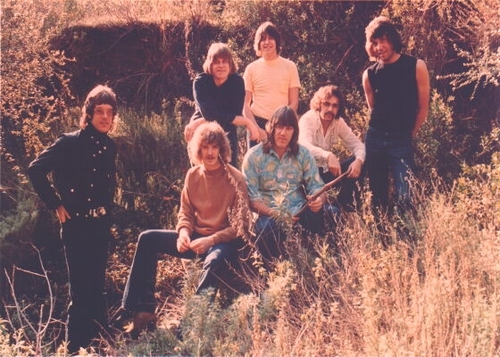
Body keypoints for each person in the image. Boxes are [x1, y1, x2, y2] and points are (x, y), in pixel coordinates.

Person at [121, 121, 250, 336]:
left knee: (214, 260)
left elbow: (241, 225)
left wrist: (211, 240)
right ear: (198, 149)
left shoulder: (235, 178)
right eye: (205, 147)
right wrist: (183, 233)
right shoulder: (193, 175)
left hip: (223, 242)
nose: (210, 152)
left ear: (222, 149)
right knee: (147, 238)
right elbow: (186, 213)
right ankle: (142, 311)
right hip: (196, 238)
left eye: (214, 147)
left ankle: (191, 324)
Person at [27, 85, 119, 353]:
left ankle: (102, 346)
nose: (104, 117)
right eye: (99, 111)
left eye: (109, 112)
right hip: (76, 227)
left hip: (99, 226)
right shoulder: (69, 142)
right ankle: (74, 350)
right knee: (80, 293)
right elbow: (35, 169)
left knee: (97, 287)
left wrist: (107, 216)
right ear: (88, 114)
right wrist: (55, 204)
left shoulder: (110, 146)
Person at [242, 106, 337, 262]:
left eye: (288, 128)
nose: (283, 132)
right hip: (269, 214)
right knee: (266, 230)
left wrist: (319, 200)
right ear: (270, 128)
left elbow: (317, 186)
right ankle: (273, 271)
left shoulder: (303, 154)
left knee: (333, 215)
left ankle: (328, 262)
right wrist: (278, 214)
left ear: (294, 132)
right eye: (279, 127)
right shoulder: (254, 157)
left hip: (300, 211)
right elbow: (253, 201)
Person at [362, 16, 430, 213]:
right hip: (375, 139)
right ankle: (382, 239)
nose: (379, 47)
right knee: (378, 196)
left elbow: (423, 107)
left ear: (392, 39)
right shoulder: (369, 74)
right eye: (374, 43)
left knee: (405, 195)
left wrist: (409, 134)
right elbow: (373, 109)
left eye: (382, 40)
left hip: (402, 139)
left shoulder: (416, 66)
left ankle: (405, 238)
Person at [184, 42, 261, 167]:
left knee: (229, 172)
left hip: (226, 129)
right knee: (202, 174)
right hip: (202, 131)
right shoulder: (200, 82)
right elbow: (210, 114)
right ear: (210, 64)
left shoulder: (237, 82)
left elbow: (234, 113)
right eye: (216, 62)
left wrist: (197, 122)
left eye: (225, 62)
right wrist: (246, 122)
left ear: (230, 64)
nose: (221, 66)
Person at [298, 84, 365, 212]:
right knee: (313, 205)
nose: (330, 109)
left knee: (359, 161)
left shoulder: (338, 122)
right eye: (326, 104)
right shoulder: (308, 119)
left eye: (335, 106)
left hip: (324, 174)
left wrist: (358, 161)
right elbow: (303, 145)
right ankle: (326, 208)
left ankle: (345, 206)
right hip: (306, 175)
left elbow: (358, 145)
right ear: (319, 104)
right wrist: (328, 155)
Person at [243, 21, 301, 146]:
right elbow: (245, 104)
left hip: (282, 125)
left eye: (271, 38)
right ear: (258, 44)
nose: (267, 42)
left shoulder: (290, 66)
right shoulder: (251, 68)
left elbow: (294, 102)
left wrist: (282, 126)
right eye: (263, 39)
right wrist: (256, 129)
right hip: (257, 124)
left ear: (277, 41)